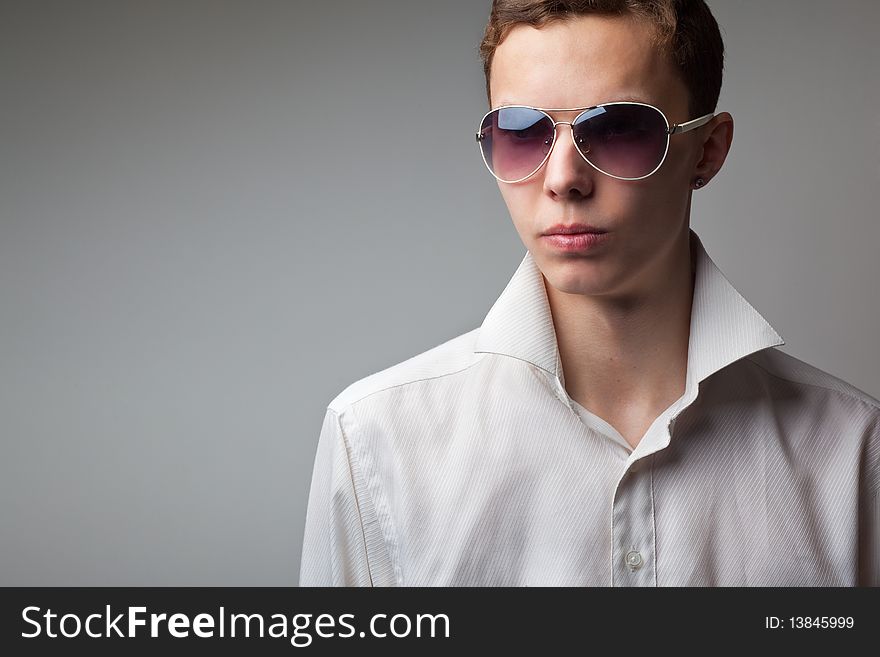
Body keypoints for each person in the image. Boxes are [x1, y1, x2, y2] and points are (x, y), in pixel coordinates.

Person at [299, 0, 879, 586]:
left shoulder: (854, 452)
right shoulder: (376, 442)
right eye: (521, 132)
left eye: (618, 129)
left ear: (707, 149)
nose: (562, 179)